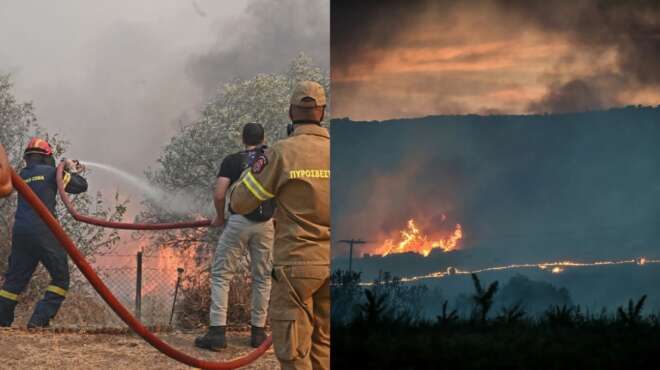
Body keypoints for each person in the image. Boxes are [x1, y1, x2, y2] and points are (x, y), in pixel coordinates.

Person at [230, 81, 330, 370]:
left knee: (295, 352)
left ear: (290, 113)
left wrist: (257, 167)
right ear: (322, 113)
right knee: (324, 348)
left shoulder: (282, 153)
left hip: (297, 266)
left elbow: (240, 201)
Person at [195, 123, 276, 351]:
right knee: (262, 278)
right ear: (264, 138)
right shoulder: (273, 159)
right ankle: (258, 333)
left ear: (243, 139)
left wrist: (220, 217)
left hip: (239, 221)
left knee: (222, 275)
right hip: (267, 224)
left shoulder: (233, 161)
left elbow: (220, 193)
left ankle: (217, 333)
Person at [0, 138, 88, 328]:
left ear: (28, 158)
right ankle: (38, 322)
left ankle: (1, 321)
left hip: (21, 232)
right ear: (47, 157)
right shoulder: (50, 172)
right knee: (61, 279)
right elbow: (80, 186)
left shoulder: (21, 175)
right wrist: (70, 170)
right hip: (45, 231)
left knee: (13, 282)